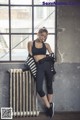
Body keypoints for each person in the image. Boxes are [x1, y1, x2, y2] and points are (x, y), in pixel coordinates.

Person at [27, 27, 55, 117]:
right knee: (39, 88)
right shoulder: (30, 43)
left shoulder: (46, 45)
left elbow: (52, 55)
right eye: (42, 35)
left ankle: (49, 107)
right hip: (39, 66)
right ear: (38, 34)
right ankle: (48, 106)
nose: (43, 38)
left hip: (47, 65)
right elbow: (30, 54)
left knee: (49, 85)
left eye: (45, 36)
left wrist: (46, 57)